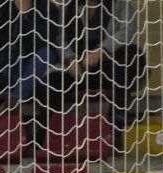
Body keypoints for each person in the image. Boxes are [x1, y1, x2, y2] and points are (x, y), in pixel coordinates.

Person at [51, 0, 145, 130]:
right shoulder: (68, 7)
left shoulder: (119, 3)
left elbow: (128, 30)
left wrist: (102, 50)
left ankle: (118, 113)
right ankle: (51, 131)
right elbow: (60, 39)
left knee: (133, 53)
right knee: (51, 80)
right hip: (78, 68)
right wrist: (69, 59)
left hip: (109, 68)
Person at [0, 0, 65, 113]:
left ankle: (14, 101)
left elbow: (50, 42)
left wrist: (27, 14)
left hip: (27, 72)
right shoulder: (0, 5)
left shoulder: (47, 8)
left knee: (47, 54)